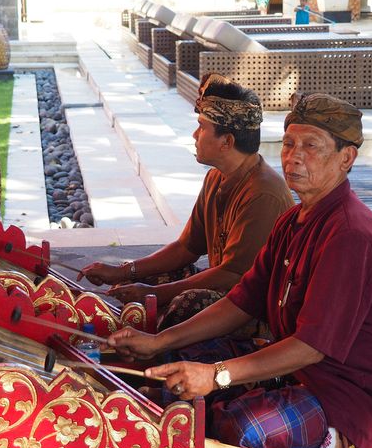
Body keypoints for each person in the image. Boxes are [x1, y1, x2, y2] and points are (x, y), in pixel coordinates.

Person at [109, 93, 372, 448]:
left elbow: (311, 347)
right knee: (180, 358)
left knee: (242, 427)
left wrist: (217, 376)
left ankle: (340, 437)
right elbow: (242, 301)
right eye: (289, 144)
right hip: (298, 371)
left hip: (355, 393)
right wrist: (159, 341)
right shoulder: (293, 220)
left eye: (311, 146)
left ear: (346, 159)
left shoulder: (350, 233)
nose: (293, 156)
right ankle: (199, 405)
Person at [78, 74, 294, 329]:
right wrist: (123, 271)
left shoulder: (263, 193)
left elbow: (231, 276)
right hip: (226, 288)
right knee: (133, 285)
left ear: (227, 142)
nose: (195, 134)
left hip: (254, 309)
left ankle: (156, 352)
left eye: (202, 127)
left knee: (185, 303)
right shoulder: (217, 177)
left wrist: (157, 293)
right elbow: (186, 248)